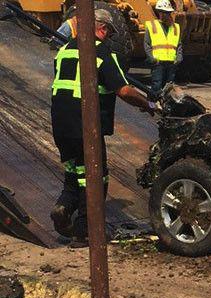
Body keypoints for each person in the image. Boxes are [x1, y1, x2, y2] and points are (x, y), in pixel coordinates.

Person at [50, 8, 157, 245]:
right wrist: (148, 104)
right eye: (108, 31)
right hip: (85, 124)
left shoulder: (64, 49)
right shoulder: (101, 52)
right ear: (102, 28)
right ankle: (85, 231)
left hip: (60, 124)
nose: (108, 36)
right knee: (96, 175)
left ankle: (63, 207)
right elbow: (124, 89)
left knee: (75, 171)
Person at [144, 0, 182, 95]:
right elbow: (147, 44)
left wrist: (179, 57)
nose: (167, 15)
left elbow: (179, 44)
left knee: (169, 87)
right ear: (159, 12)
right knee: (156, 86)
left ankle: (165, 107)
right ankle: (153, 106)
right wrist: (152, 58)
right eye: (164, 12)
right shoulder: (152, 25)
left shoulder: (176, 27)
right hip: (158, 63)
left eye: (168, 13)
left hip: (171, 62)